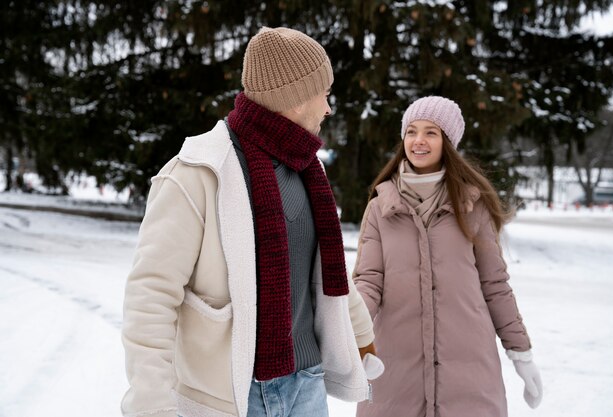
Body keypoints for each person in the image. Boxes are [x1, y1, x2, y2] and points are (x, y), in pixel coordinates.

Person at [121, 27, 376, 417]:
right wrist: (151, 404)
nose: (328, 108)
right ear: (293, 97)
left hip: (306, 384)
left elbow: (328, 272)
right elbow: (150, 297)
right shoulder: (197, 172)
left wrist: (362, 336)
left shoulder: (307, 169)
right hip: (232, 396)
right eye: (323, 93)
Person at [353, 96, 543, 417]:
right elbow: (368, 282)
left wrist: (520, 352)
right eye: (411, 131)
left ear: (448, 142)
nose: (419, 141)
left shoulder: (473, 205)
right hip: (396, 369)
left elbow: (495, 285)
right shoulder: (380, 208)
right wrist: (350, 334)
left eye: (431, 132)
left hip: (468, 369)